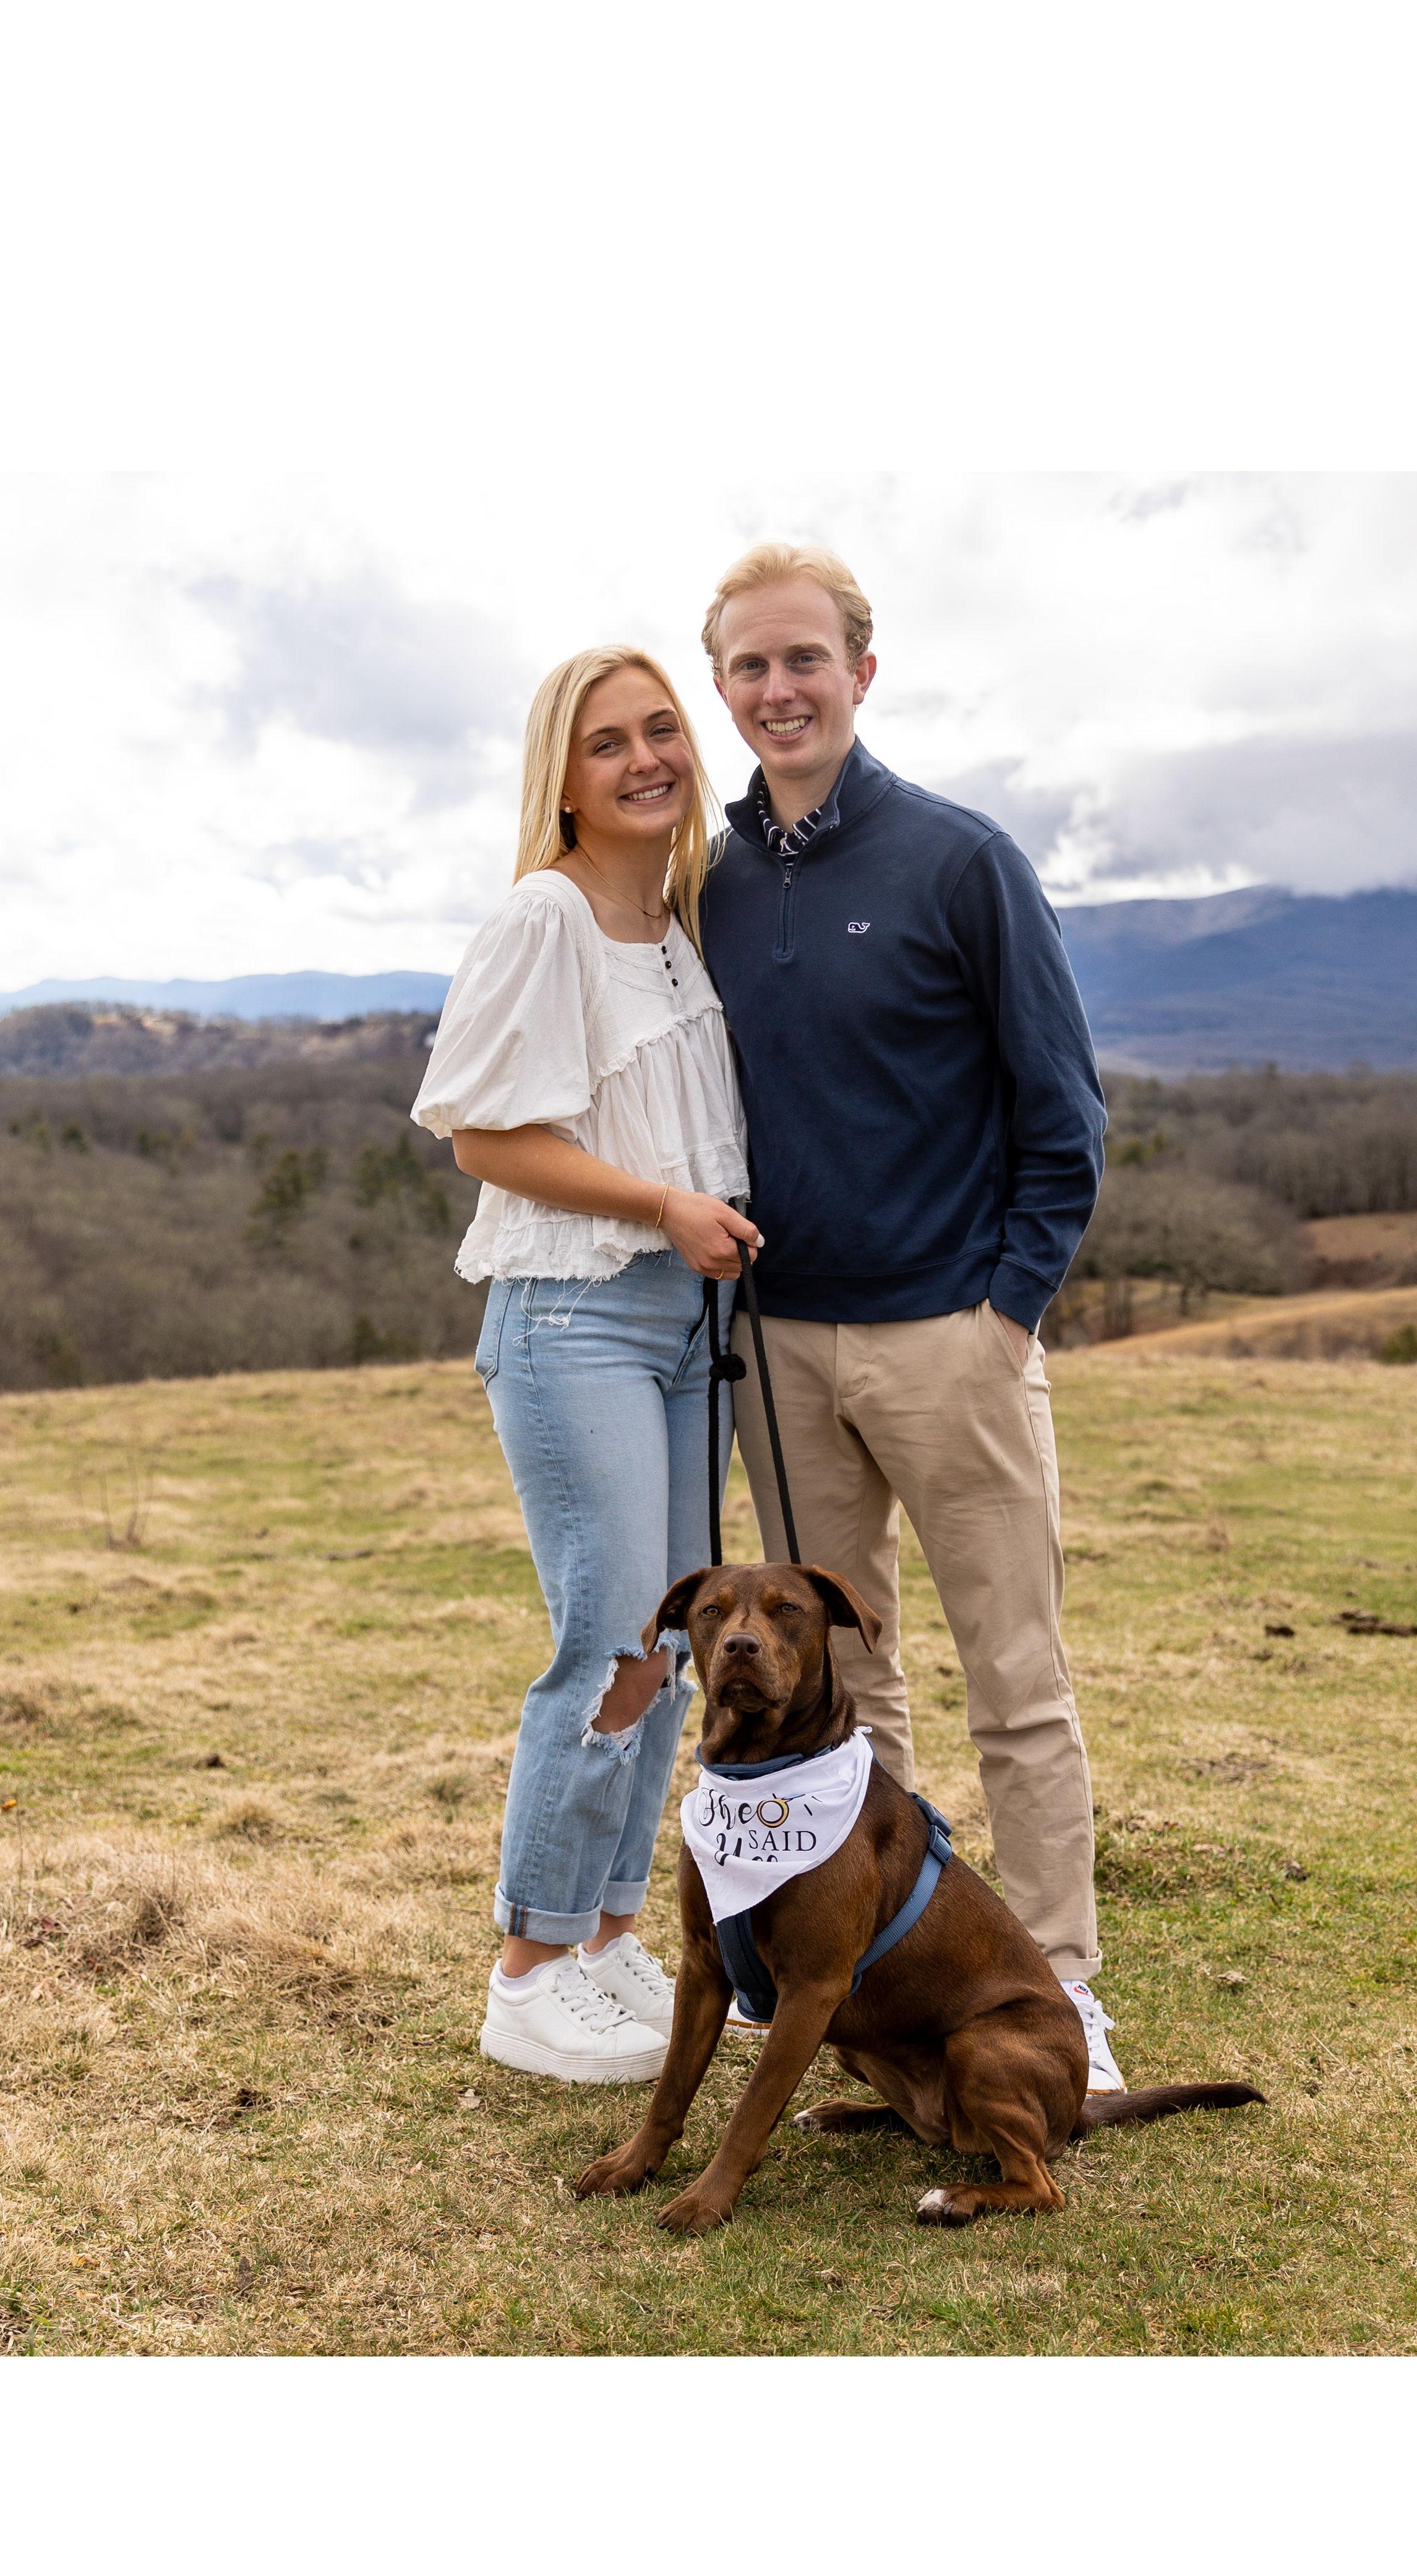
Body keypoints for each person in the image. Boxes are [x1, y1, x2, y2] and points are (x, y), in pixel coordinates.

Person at [695, 545, 1124, 2086]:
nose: (779, 689)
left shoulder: (961, 861)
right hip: (778, 1351)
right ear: (722, 685)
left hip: (951, 1335)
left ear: (861, 673)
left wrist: (1008, 1311)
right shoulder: (705, 881)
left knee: (1016, 1681)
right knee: (841, 1694)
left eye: (803, 659)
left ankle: (1059, 1997)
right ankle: (880, 1998)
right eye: (749, 666)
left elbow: (1063, 1109)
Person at [412, 646, 760, 2084]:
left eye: (661, 730)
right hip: (575, 1315)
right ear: (561, 776)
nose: (643, 760)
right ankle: (527, 1974)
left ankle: (607, 1937)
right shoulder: (544, 918)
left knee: (673, 1643)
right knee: (610, 1641)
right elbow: (483, 1138)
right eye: (606, 742)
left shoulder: (678, 919)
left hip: (685, 1321)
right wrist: (664, 1204)